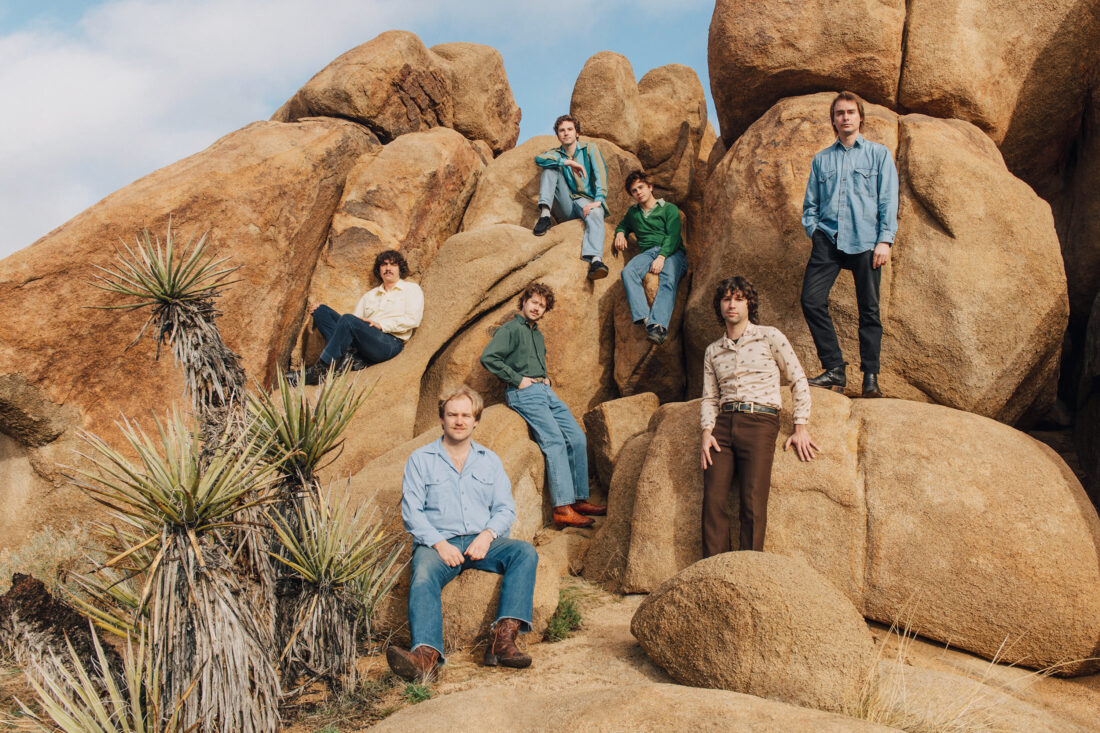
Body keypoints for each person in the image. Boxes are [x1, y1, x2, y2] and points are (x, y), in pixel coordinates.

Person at [386, 385, 538, 682]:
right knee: (424, 573)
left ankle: (502, 642)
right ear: (441, 419)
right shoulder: (420, 459)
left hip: (482, 543)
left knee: (524, 553)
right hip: (438, 544)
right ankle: (426, 659)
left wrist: (488, 535)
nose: (459, 420)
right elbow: (412, 512)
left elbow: (505, 508)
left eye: (466, 415)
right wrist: (440, 544)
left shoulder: (489, 460)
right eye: (452, 414)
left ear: (476, 420)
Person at [700, 276, 819, 556]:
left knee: (752, 502)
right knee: (713, 501)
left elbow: (797, 378)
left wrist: (800, 426)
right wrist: (706, 433)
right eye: (727, 299)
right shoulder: (713, 351)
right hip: (723, 426)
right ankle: (713, 573)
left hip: (760, 421)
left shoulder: (770, 336)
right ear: (719, 305)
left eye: (739, 299)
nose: (732, 305)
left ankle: (748, 573)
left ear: (748, 305)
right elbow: (710, 397)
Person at [480, 283, 606, 529]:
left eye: (542, 306)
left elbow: (536, 360)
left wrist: (545, 378)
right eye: (534, 302)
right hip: (523, 393)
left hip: (545, 390)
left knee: (577, 437)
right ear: (524, 302)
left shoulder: (537, 334)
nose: (537, 308)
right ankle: (562, 508)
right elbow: (489, 358)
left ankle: (579, 500)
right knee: (554, 441)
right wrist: (518, 380)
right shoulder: (510, 329)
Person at [800, 90, 899, 398]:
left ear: (860, 118)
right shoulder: (822, 159)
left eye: (850, 112)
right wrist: (814, 231)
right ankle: (834, 369)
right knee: (811, 300)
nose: (845, 117)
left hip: (867, 241)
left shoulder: (879, 155)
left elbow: (888, 199)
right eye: (840, 113)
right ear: (833, 120)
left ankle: (870, 377)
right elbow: (810, 205)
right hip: (828, 240)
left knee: (869, 310)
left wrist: (885, 240)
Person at [294, 249, 424, 385]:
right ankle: (351, 358)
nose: (388, 268)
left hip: (389, 342)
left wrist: (382, 325)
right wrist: (321, 312)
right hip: (365, 342)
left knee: (348, 320)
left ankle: (321, 368)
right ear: (379, 270)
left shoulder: (411, 289)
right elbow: (350, 324)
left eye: (393, 264)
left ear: (400, 269)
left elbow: (413, 320)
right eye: (384, 265)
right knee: (321, 311)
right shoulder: (370, 296)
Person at [613, 170, 688, 345]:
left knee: (668, 277)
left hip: (673, 252)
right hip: (647, 253)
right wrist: (620, 233)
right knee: (628, 272)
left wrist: (662, 257)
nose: (638, 192)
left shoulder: (669, 209)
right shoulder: (633, 213)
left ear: (650, 187)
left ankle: (659, 326)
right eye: (634, 190)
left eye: (641, 187)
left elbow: (673, 236)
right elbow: (623, 225)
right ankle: (647, 321)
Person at [533, 115, 611, 281]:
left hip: (586, 201)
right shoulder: (556, 153)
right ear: (558, 135)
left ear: (577, 133)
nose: (566, 133)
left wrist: (598, 200)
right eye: (562, 130)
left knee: (596, 213)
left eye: (570, 129)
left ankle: (595, 261)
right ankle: (545, 216)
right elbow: (539, 159)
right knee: (550, 167)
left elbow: (601, 174)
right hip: (566, 205)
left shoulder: (590, 149)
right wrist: (566, 162)